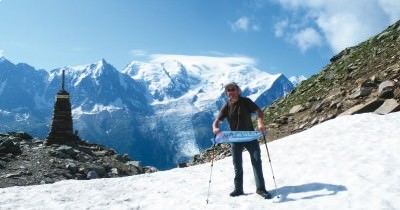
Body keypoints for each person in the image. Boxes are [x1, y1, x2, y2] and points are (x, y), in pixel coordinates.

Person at [212, 82, 272, 199]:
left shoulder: (246, 101)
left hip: (250, 136)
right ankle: (238, 189)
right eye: (228, 90)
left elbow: (259, 111)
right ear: (226, 93)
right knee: (237, 164)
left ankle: (261, 189)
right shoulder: (226, 106)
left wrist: (260, 123)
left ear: (238, 90)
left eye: (233, 89)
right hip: (235, 139)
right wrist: (215, 127)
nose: (231, 92)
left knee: (256, 162)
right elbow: (217, 120)